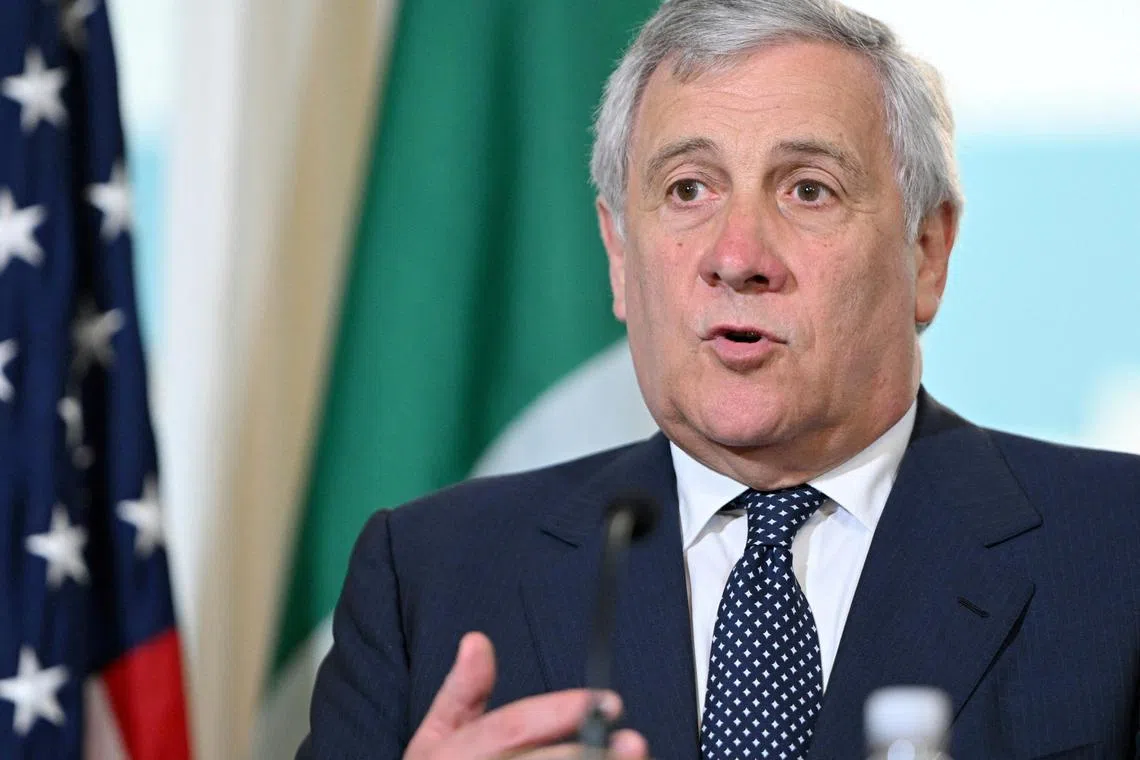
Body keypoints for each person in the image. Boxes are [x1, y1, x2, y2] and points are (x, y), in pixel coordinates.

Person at [297, 0, 1140, 758]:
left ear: (927, 253)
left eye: (809, 190)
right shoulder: (430, 577)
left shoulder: (1117, 551)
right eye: (688, 188)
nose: (737, 259)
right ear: (620, 257)